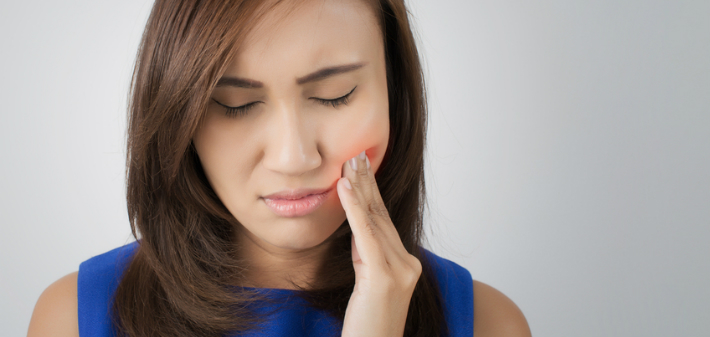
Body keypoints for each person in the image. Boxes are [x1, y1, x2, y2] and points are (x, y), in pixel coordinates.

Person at [28, 0, 531, 336]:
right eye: (235, 104)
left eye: (336, 96)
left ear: (394, 94)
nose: (294, 158)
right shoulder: (75, 317)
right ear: (179, 114)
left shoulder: (487, 324)